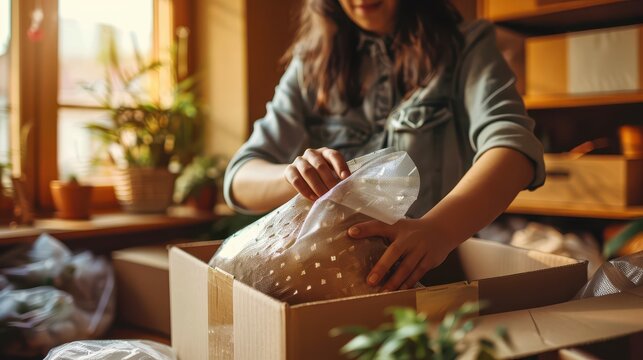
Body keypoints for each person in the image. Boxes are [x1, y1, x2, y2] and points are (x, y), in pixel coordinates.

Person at [223, 0, 545, 292]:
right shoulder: (311, 62)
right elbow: (239, 179)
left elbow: (513, 148)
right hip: (325, 288)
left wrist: (437, 230)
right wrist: (297, 176)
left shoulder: (467, 45)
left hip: (435, 283)